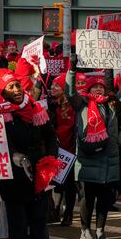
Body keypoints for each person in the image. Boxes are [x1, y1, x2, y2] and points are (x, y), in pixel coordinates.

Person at [0, 69, 59, 239]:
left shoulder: (36, 108)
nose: (16, 90)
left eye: (18, 85)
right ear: (3, 91)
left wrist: (50, 159)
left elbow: (50, 135)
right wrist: (13, 155)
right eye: (10, 87)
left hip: (38, 174)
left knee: (40, 226)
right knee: (18, 228)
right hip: (13, 178)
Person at [65, 55, 121, 239]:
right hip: (87, 159)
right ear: (88, 89)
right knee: (87, 199)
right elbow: (70, 91)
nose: (98, 89)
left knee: (104, 200)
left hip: (108, 160)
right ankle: (85, 229)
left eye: (101, 86)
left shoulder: (112, 106)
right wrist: (72, 70)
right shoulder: (82, 104)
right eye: (94, 86)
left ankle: (101, 229)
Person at [49, 73, 77, 227]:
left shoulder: (71, 106)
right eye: (52, 85)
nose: (53, 87)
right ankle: (56, 209)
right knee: (56, 183)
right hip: (55, 149)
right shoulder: (52, 104)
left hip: (69, 151)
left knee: (69, 185)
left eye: (57, 85)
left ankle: (68, 213)